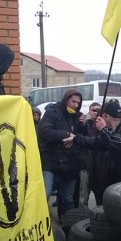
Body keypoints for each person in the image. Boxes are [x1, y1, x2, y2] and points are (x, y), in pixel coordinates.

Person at [38, 88, 86, 221]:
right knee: (44, 194)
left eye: (78, 103)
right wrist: (66, 135)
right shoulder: (52, 112)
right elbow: (45, 131)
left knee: (67, 198)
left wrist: (83, 126)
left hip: (70, 163)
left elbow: (83, 138)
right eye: (73, 101)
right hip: (51, 161)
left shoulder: (78, 116)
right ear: (66, 99)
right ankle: (39, 221)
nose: (75, 105)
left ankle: (68, 226)